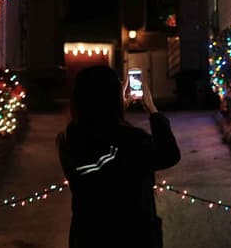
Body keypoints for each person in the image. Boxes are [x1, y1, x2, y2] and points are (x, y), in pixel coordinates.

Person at [57, 66, 181, 248]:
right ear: (113, 99)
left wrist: (115, 111)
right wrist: (152, 110)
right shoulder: (132, 141)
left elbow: (101, 146)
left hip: (88, 236)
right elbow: (169, 154)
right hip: (132, 236)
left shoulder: (69, 140)